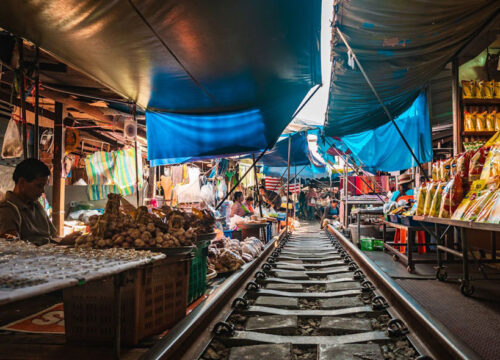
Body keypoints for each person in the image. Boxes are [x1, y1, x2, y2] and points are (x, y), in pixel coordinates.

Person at [0, 158, 57, 245]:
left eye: (44, 186)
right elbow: (13, 248)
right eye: (39, 186)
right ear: (22, 182)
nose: (42, 191)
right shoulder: (7, 210)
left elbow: (50, 237)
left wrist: (66, 241)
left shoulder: (36, 206)